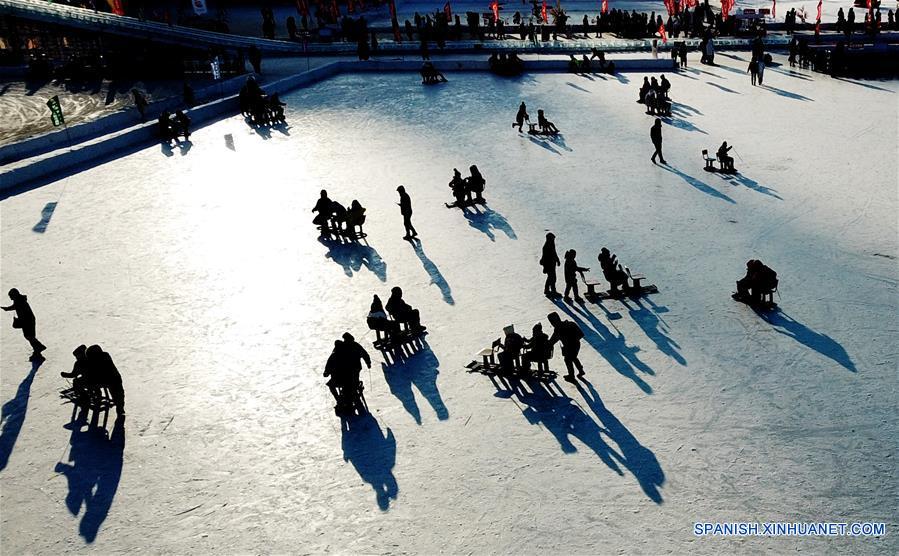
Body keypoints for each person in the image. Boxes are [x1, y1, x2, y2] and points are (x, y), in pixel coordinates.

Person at [2, 289, 46, 360]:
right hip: (28, 321)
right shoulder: (18, 300)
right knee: (29, 336)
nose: (10, 298)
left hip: (27, 322)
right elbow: (15, 306)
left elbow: (22, 313)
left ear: (14, 295)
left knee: (29, 336)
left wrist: (18, 321)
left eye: (11, 296)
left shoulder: (19, 302)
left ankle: (38, 349)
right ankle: (38, 349)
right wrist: (7, 309)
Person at [86, 345, 125, 414]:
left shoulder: (94, 361)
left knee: (92, 384)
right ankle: (120, 407)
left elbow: (93, 374)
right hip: (115, 378)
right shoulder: (106, 355)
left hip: (107, 380)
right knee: (119, 394)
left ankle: (98, 397)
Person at [547, 312, 585, 382]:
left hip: (569, 347)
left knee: (568, 360)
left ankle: (571, 376)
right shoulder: (571, 323)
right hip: (577, 345)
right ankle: (581, 370)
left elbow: (553, 340)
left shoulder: (558, 329)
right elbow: (581, 334)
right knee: (573, 358)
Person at [540, 232, 561, 297]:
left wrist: (557, 260)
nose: (553, 240)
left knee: (551, 278)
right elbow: (545, 257)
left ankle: (549, 290)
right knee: (552, 278)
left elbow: (554, 253)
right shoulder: (546, 247)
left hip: (552, 264)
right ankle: (551, 291)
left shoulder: (551, 245)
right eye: (552, 239)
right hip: (549, 265)